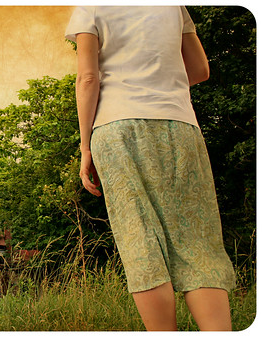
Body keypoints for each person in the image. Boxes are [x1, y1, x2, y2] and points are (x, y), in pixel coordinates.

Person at [65, 6, 236, 331]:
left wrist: (86, 146)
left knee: (140, 240)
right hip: (179, 123)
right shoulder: (174, 6)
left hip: (117, 128)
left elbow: (88, 77)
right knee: (198, 243)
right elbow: (199, 70)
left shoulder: (91, 6)